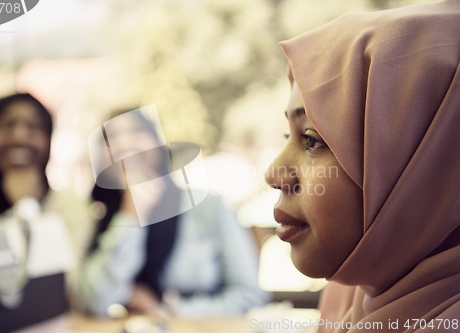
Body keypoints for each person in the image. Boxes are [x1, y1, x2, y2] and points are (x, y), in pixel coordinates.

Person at [265, 1, 460, 332]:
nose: (273, 174)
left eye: (312, 140)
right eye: (288, 135)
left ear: (421, 162)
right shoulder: (350, 295)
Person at [78, 108, 268, 318]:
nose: (124, 143)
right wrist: (130, 216)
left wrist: (165, 310)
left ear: (158, 145)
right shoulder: (97, 216)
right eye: (110, 137)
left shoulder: (208, 206)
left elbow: (249, 296)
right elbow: (94, 302)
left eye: (136, 131)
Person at [0, 93, 93, 332]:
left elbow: (64, 290)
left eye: (34, 126)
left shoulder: (72, 209)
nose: (20, 136)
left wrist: (26, 207)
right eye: (7, 125)